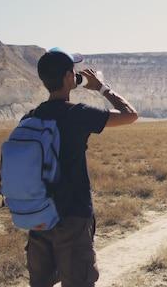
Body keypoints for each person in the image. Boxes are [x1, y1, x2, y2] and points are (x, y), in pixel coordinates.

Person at [26, 47, 138, 287]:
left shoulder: (29, 117)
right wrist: (101, 87)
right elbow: (130, 115)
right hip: (72, 217)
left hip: (37, 216)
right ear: (68, 77)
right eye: (73, 71)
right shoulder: (77, 114)